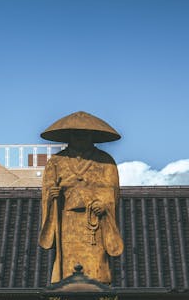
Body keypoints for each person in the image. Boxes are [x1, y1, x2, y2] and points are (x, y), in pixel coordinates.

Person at [38, 111, 124, 286]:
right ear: (68, 136)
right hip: (67, 225)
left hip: (94, 225)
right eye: (76, 134)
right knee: (67, 273)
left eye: (84, 134)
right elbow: (47, 192)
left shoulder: (105, 161)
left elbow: (112, 193)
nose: (80, 138)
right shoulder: (56, 162)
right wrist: (52, 197)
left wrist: (104, 206)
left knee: (98, 270)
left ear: (92, 136)